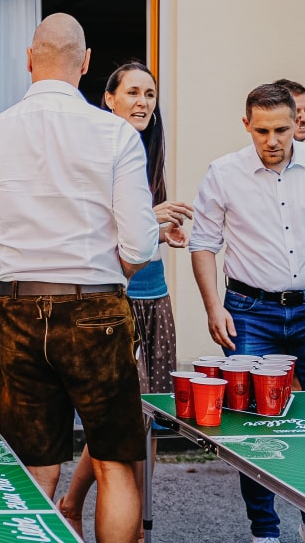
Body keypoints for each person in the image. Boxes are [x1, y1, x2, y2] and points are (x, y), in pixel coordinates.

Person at [0, 14, 159, 543]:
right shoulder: (114, 133)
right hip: (96, 307)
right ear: (86, 63)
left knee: (33, 467)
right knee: (114, 461)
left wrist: (28, 246)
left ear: (28, 58)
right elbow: (140, 243)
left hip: (19, 308)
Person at [55, 62, 193, 540]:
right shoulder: (96, 146)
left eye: (150, 94)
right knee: (121, 421)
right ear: (108, 98)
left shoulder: (147, 148)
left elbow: (141, 233)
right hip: (108, 300)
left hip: (153, 296)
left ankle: (93, 512)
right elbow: (86, 229)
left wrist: (162, 231)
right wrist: (149, 219)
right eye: (132, 92)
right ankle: (96, 515)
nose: (143, 101)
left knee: (146, 417)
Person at [190, 83, 305, 543]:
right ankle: (264, 531)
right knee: (251, 427)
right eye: (262, 131)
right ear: (247, 125)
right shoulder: (223, 173)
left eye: (282, 129)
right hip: (249, 311)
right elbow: (203, 243)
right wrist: (212, 307)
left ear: (296, 123)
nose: (273, 140)